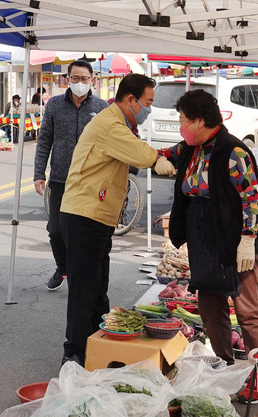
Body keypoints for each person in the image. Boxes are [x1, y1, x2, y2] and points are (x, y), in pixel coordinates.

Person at [157, 90, 258, 404]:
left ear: (198, 121)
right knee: (210, 307)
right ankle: (225, 368)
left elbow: (252, 199)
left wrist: (248, 241)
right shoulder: (190, 148)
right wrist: (158, 159)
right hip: (202, 236)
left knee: (248, 309)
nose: (181, 127)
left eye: (182, 121)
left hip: (234, 239)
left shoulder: (233, 151)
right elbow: (165, 154)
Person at [59, 74, 174, 366]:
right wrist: (158, 159)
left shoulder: (119, 122)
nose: (148, 109)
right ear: (131, 99)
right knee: (86, 287)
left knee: (98, 286)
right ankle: (74, 351)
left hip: (96, 216)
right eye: (147, 103)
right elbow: (136, 151)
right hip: (84, 214)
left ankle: (99, 342)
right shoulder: (111, 124)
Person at [34, 61, 108, 291]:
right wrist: (39, 173)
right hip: (60, 179)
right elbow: (45, 139)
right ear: (67, 79)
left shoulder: (102, 107)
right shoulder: (55, 105)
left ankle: (81, 274)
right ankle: (62, 267)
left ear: (92, 80)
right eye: (75, 78)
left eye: (84, 79)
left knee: (83, 233)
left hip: (89, 183)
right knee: (56, 231)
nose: (79, 83)